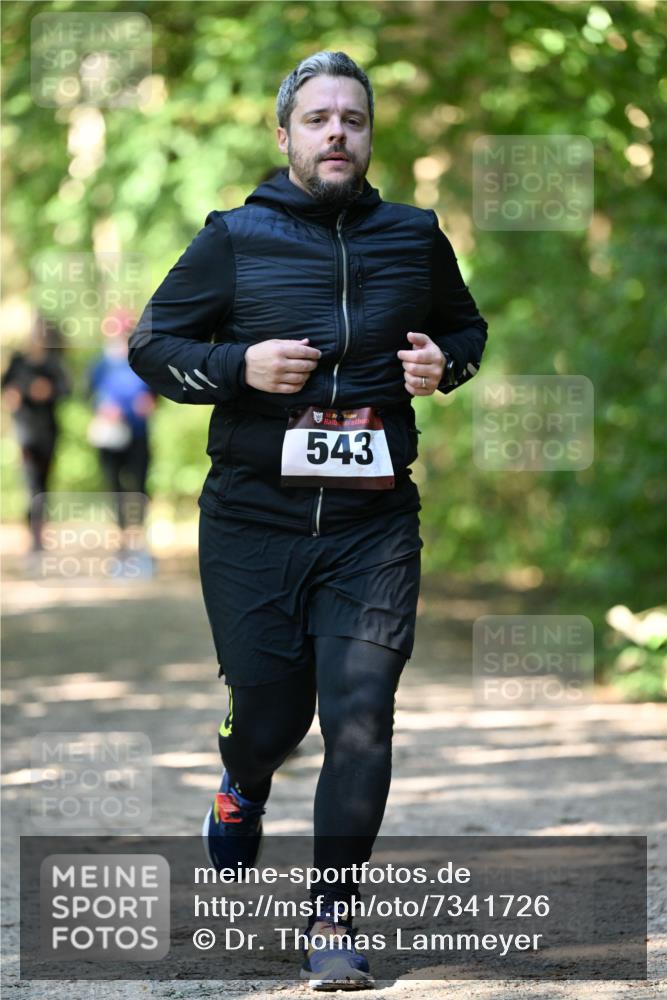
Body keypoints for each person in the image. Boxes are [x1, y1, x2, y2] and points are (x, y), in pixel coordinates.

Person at [129, 50, 488, 989]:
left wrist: (440, 365)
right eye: (320, 118)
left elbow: (465, 329)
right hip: (252, 521)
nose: (338, 132)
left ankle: (332, 918)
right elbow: (153, 346)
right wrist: (239, 367)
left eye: (354, 120)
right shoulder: (234, 239)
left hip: (373, 526)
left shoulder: (413, 236)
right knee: (272, 715)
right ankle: (243, 781)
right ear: (284, 134)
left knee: (361, 716)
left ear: (369, 136)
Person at [1, 313, 71, 556]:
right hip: (25, 431)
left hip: (48, 431)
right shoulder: (18, 361)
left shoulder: (53, 363)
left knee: (43, 484)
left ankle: (40, 531)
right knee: (31, 483)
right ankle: (34, 535)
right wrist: (14, 395)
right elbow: (7, 389)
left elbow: (65, 390)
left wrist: (47, 391)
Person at [88, 308, 156, 556]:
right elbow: (88, 394)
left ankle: (139, 538)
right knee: (114, 486)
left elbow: (156, 392)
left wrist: (149, 402)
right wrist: (103, 408)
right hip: (110, 435)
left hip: (138, 433)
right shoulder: (101, 363)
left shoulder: (142, 360)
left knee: (139, 485)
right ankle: (121, 537)